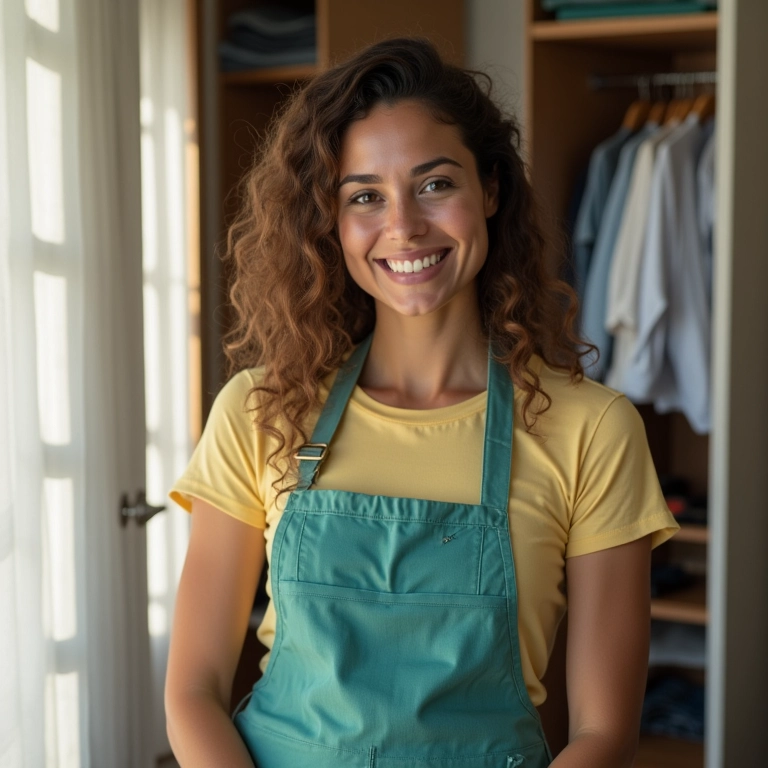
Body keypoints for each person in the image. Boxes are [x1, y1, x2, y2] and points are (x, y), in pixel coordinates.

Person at [165, 37, 679, 768]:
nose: (402, 227)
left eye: (435, 184)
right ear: (330, 222)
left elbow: (603, 733)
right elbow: (193, 690)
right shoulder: (260, 410)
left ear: (491, 190)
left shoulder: (590, 429)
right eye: (365, 196)